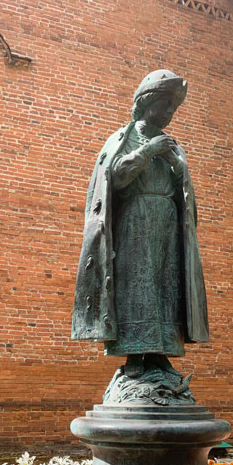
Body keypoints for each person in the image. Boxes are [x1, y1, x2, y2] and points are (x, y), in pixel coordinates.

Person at [72, 70, 209, 388]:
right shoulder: (124, 138)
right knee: (138, 285)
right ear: (148, 104)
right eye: (166, 105)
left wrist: (177, 166)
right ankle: (134, 354)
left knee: (167, 288)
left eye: (173, 108)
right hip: (135, 219)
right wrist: (149, 151)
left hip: (167, 222)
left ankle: (161, 354)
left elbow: (182, 190)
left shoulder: (173, 146)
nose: (170, 113)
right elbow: (116, 177)